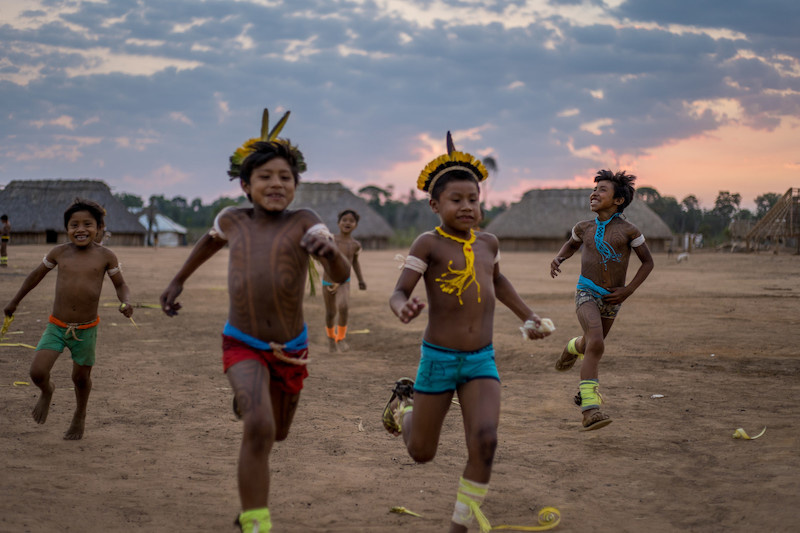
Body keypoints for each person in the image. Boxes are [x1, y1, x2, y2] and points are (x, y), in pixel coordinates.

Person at [159, 109, 350, 533]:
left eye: (285, 176)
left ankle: (252, 399)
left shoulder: (307, 223)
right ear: (246, 186)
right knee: (259, 428)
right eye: (265, 176)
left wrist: (328, 252)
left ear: (296, 185)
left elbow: (340, 276)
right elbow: (208, 243)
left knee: (276, 434)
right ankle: (255, 521)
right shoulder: (232, 220)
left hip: (291, 349)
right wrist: (177, 280)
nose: (276, 183)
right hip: (242, 342)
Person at [384, 132, 552, 533]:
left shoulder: (489, 243)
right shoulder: (429, 244)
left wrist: (529, 316)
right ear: (435, 204)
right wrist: (402, 307)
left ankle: (459, 527)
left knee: (485, 441)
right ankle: (404, 409)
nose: (466, 207)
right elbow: (399, 291)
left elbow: (499, 282)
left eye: (473, 200)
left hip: (481, 360)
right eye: (455, 200)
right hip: (438, 360)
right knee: (422, 452)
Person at [3, 199, 133, 440]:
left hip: (86, 330)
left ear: (99, 227)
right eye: (74, 225)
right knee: (37, 372)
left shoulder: (106, 256)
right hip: (57, 325)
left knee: (80, 378)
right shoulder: (59, 252)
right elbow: (35, 276)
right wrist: (15, 301)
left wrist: (125, 301)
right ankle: (48, 390)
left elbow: (121, 285)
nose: (80, 229)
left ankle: (80, 414)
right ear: (66, 228)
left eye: (87, 224)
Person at [550, 170, 654, 430]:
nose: (594, 193)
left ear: (618, 200)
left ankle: (572, 347)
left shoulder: (630, 231)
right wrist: (559, 258)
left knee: (590, 345)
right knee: (597, 342)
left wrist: (627, 290)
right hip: (587, 292)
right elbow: (571, 245)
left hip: (614, 298)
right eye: (594, 189)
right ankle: (590, 409)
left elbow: (648, 263)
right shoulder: (584, 227)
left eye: (602, 190)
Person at [323, 209, 367, 352]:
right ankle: (331, 339)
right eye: (345, 220)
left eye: (351, 221)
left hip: (344, 281)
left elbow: (355, 262)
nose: (348, 223)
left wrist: (360, 280)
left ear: (356, 225)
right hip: (328, 281)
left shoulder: (355, 245)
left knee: (343, 307)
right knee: (330, 313)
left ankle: (340, 338)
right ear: (338, 223)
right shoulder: (330, 240)